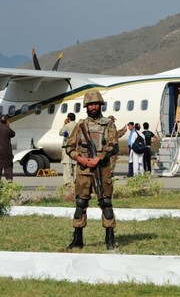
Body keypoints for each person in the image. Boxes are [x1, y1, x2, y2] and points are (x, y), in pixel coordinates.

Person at [66, 89, 119, 250]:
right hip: (84, 171)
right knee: (80, 204)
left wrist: (99, 158)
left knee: (106, 203)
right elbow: (69, 147)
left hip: (102, 170)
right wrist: (80, 159)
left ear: (100, 105)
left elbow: (114, 146)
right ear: (86, 106)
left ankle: (110, 238)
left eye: (96, 104)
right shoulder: (80, 126)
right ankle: (77, 239)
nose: (94, 107)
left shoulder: (108, 124)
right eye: (91, 104)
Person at [59, 113, 77, 185]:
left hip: (67, 148)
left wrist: (64, 124)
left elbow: (60, 133)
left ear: (68, 118)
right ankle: (76, 181)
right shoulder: (78, 125)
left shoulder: (67, 126)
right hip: (76, 148)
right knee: (75, 165)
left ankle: (68, 182)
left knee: (67, 165)